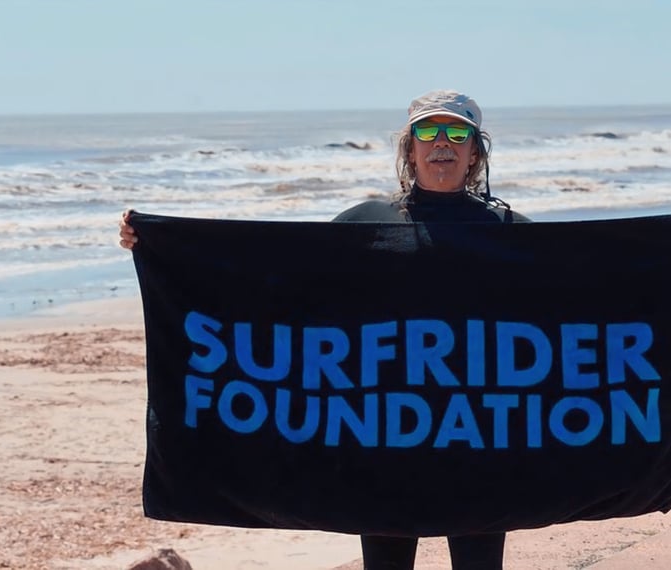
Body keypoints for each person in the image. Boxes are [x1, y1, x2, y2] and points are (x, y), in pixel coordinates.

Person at [119, 89, 530, 569]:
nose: (442, 142)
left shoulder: (511, 233)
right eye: (428, 131)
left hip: (478, 438)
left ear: (475, 150)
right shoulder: (364, 223)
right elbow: (282, 283)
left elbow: (573, 301)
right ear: (410, 147)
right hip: (383, 437)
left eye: (457, 132)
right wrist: (161, 246)